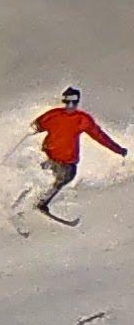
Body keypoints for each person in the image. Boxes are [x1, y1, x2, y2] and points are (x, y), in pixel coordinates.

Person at [30, 87, 125, 227]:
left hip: (66, 160)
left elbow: (100, 136)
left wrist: (118, 149)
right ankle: (38, 201)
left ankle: (38, 199)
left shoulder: (82, 119)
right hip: (51, 156)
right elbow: (36, 125)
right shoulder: (54, 115)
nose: (70, 105)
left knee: (61, 176)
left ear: (77, 102)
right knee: (60, 176)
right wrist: (32, 130)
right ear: (64, 101)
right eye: (67, 102)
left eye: (73, 102)